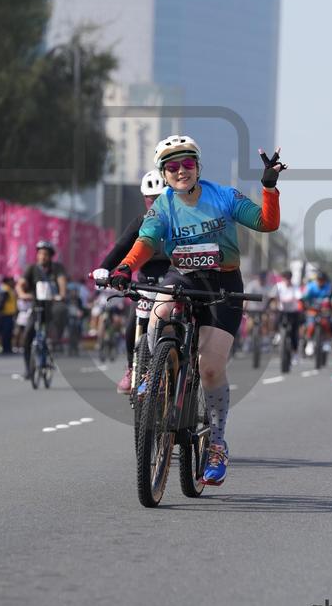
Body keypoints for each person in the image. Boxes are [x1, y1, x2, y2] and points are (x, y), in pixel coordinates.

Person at [105, 134, 284, 485]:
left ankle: (216, 444)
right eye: (172, 166)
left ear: (198, 167)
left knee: (211, 369)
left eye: (187, 163)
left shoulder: (224, 196)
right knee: (159, 311)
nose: (180, 171)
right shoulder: (163, 206)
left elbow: (267, 223)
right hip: (183, 277)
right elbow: (146, 241)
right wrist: (125, 268)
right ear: (164, 173)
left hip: (223, 284)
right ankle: (154, 373)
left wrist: (269, 188)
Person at [92, 169, 169, 393]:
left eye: (160, 198)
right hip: (146, 285)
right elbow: (120, 248)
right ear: (145, 199)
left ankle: (182, 365)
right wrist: (103, 268)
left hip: (173, 285)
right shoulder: (140, 223)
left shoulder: (180, 222)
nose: (155, 203)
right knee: (131, 326)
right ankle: (131, 368)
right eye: (151, 199)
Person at [16, 240, 67, 379]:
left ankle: (54, 341)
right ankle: (28, 369)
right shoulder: (32, 268)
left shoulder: (57, 268)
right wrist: (22, 294)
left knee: (60, 312)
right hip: (37, 306)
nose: (42, 257)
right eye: (40, 254)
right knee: (27, 335)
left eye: (45, 254)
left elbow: (62, 282)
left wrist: (61, 295)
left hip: (52, 305)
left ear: (50, 256)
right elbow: (21, 284)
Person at [272, 269, 302, 359]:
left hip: (293, 312)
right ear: (282, 278)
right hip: (282, 311)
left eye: (289, 278)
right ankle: (277, 334)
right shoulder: (279, 286)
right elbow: (272, 296)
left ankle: (295, 352)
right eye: (285, 278)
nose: (287, 280)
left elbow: (299, 297)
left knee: (294, 332)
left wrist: (292, 299)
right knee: (276, 321)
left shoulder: (295, 287)